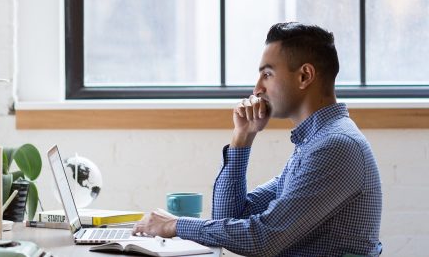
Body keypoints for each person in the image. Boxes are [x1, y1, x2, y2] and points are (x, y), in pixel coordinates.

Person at [134, 22, 383, 256]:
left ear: (305, 76)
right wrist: (242, 137)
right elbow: (230, 218)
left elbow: (263, 240)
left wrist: (175, 225)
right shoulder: (314, 143)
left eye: (268, 74)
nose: (257, 89)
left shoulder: (335, 146)